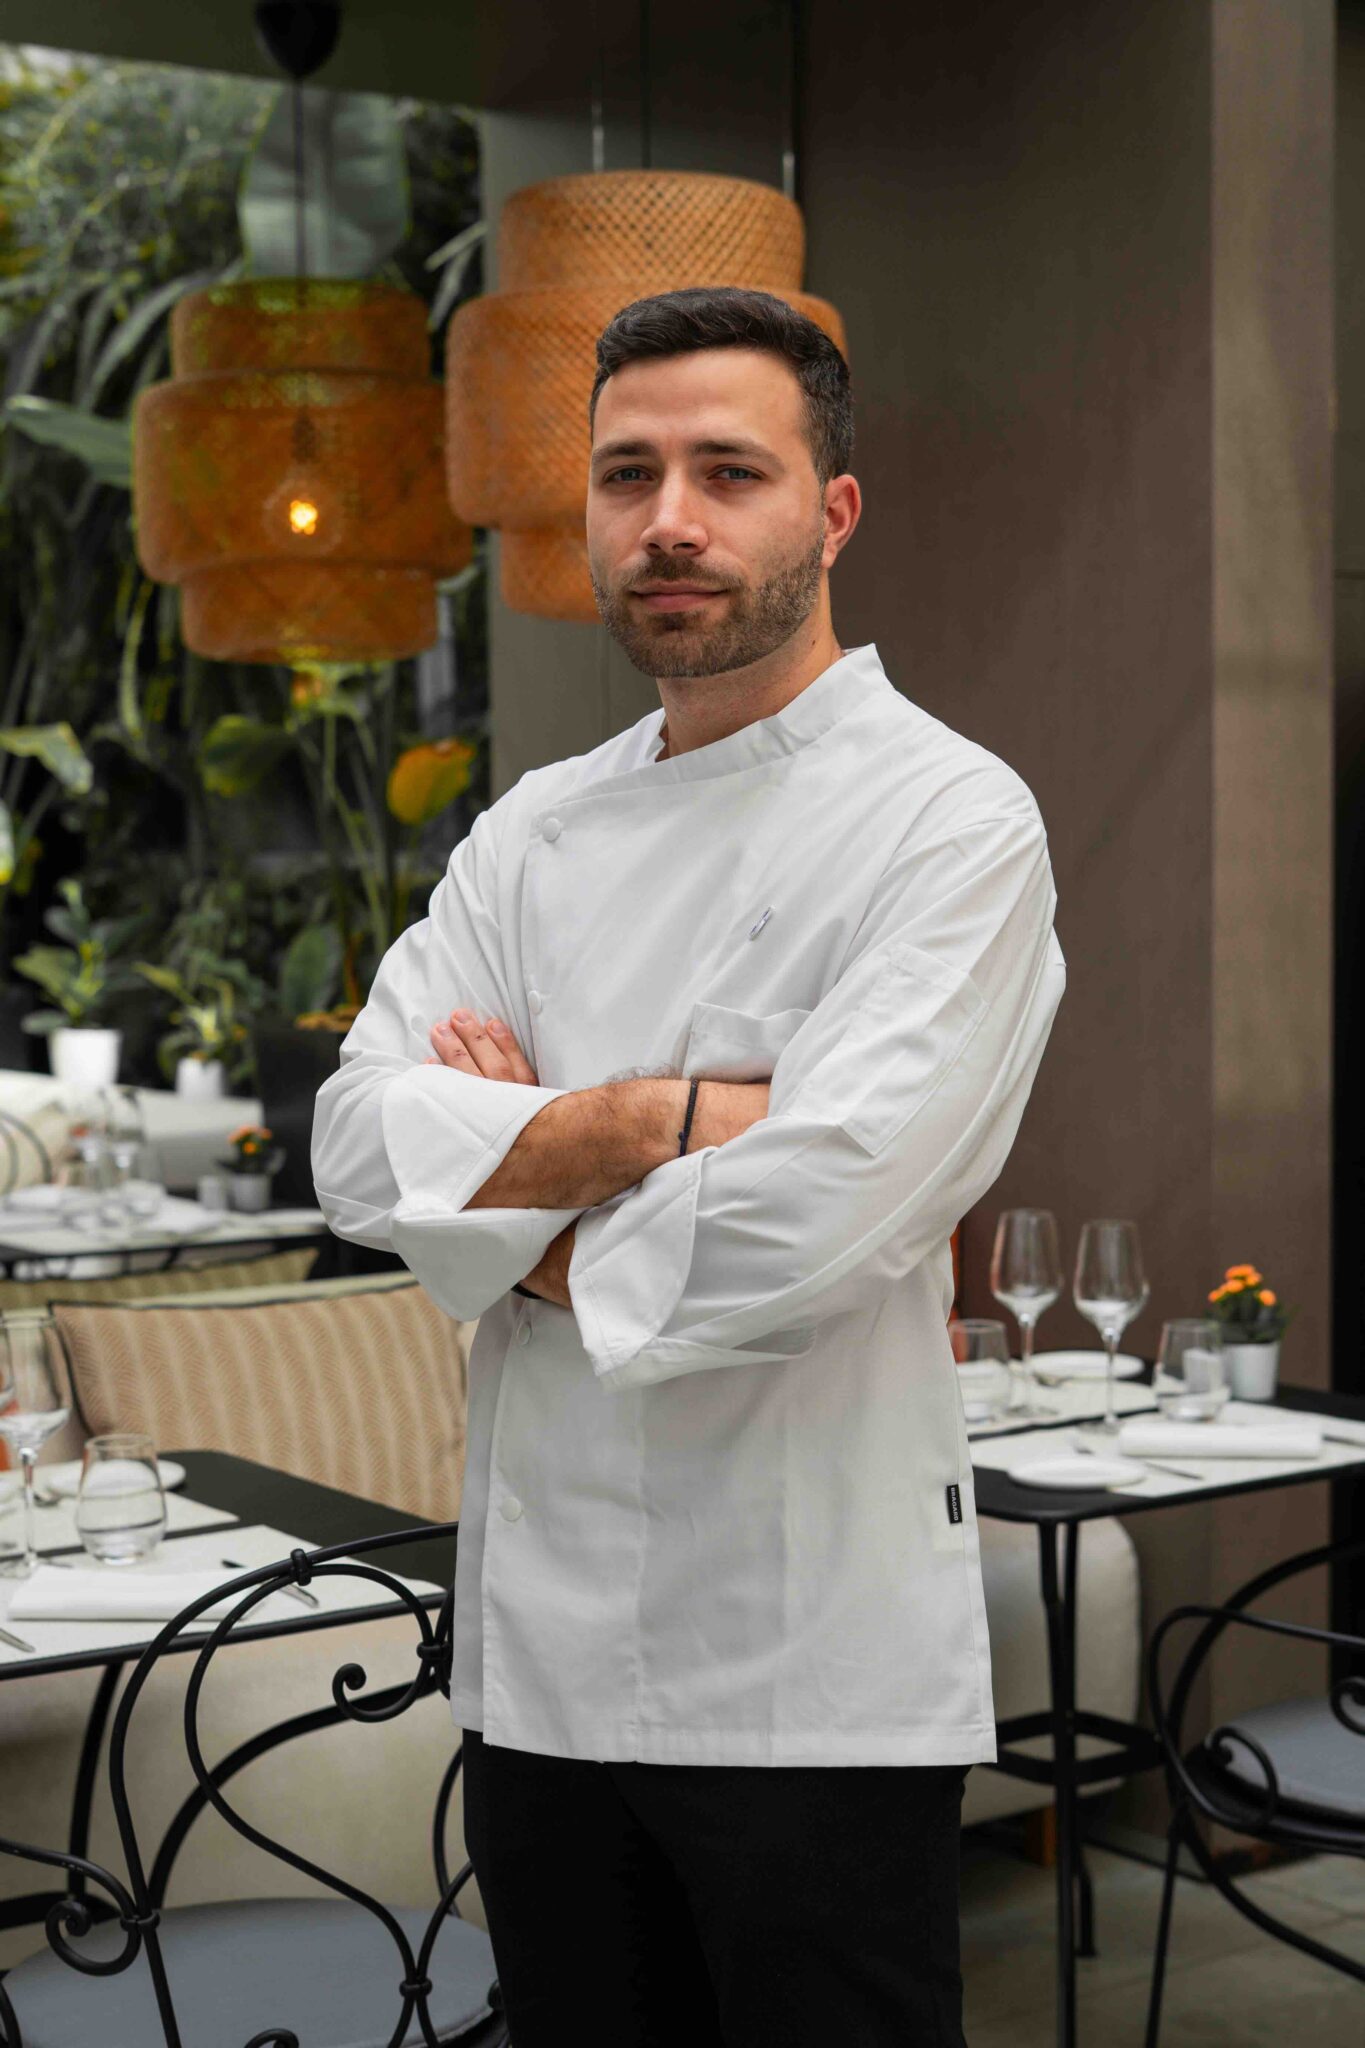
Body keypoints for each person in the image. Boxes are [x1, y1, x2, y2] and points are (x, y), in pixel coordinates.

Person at [312, 284, 1066, 2046]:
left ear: (832, 510)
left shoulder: (949, 818)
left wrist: (496, 1183)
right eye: (626, 472)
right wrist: (650, 1124)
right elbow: (355, 1146)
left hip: (805, 1671)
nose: (669, 519)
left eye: (729, 470)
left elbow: (810, 1226)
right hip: (537, 1670)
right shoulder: (532, 828)